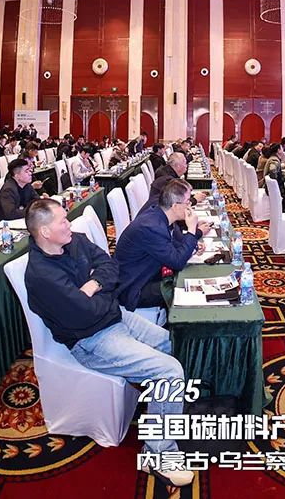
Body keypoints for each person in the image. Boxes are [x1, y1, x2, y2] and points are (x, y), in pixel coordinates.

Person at [23, 198, 194, 487]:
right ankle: (158, 454)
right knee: (169, 372)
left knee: (177, 344)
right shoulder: (41, 276)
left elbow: (110, 265)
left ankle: (164, 410)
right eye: (62, 221)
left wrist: (93, 285)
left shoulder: (74, 240)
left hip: (117, 317)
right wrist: (102, 292)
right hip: (91, 341)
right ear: (45, 232)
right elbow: (84, 313)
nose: (69, 224)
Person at [116, 179, 209, 311]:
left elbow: (175, 244)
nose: (190, 206)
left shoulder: (160, 215)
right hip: (135, 287)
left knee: (190, 279)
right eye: (187, 202)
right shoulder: (151, 227)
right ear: (175, 206)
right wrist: (192, 230)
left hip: (149, 274)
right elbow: (177, 262)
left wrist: (192, 244)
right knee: (188, 290)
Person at [0, 158, 41, 231]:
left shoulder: (27, 184)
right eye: (26, 171)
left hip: (14, 222)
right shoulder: (8, 189)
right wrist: (32, 210)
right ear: (17, 176)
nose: (30, 173)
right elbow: (11, 213)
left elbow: (37, 200)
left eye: (29, 170)